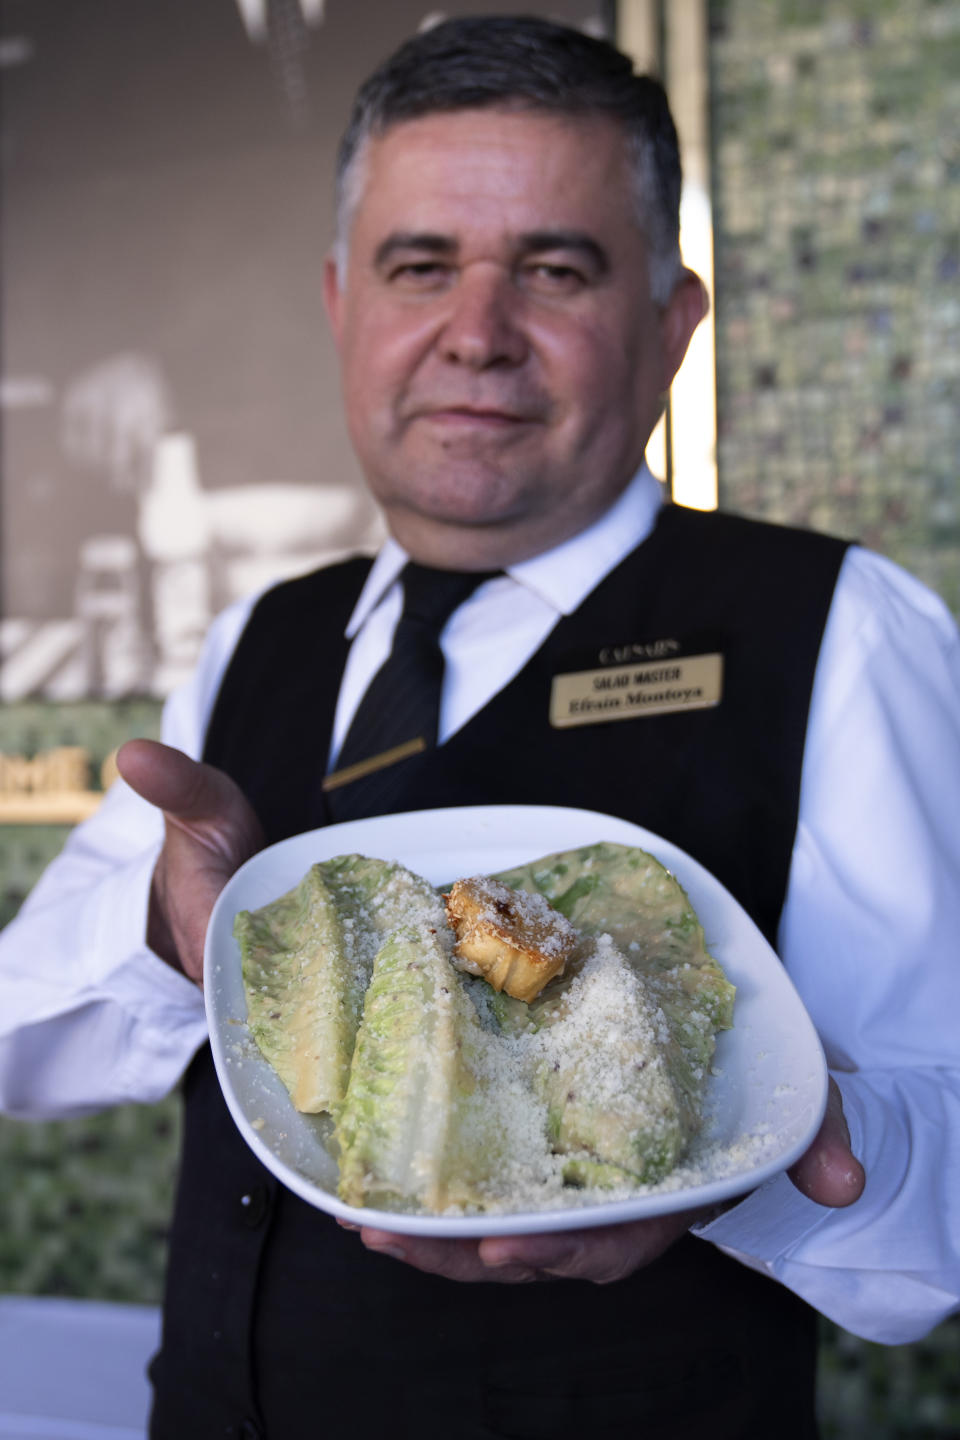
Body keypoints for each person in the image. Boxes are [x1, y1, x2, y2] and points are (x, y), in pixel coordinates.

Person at [1, 16, 958, 1439]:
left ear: (673, 322)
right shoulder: (257, 636)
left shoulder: (845, 626)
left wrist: (761, 1154)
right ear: (342, 302)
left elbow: (939, 1190)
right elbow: (21, 1047)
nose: (477, 333)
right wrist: (168, 926)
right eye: (420, 265)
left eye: (556, 270)